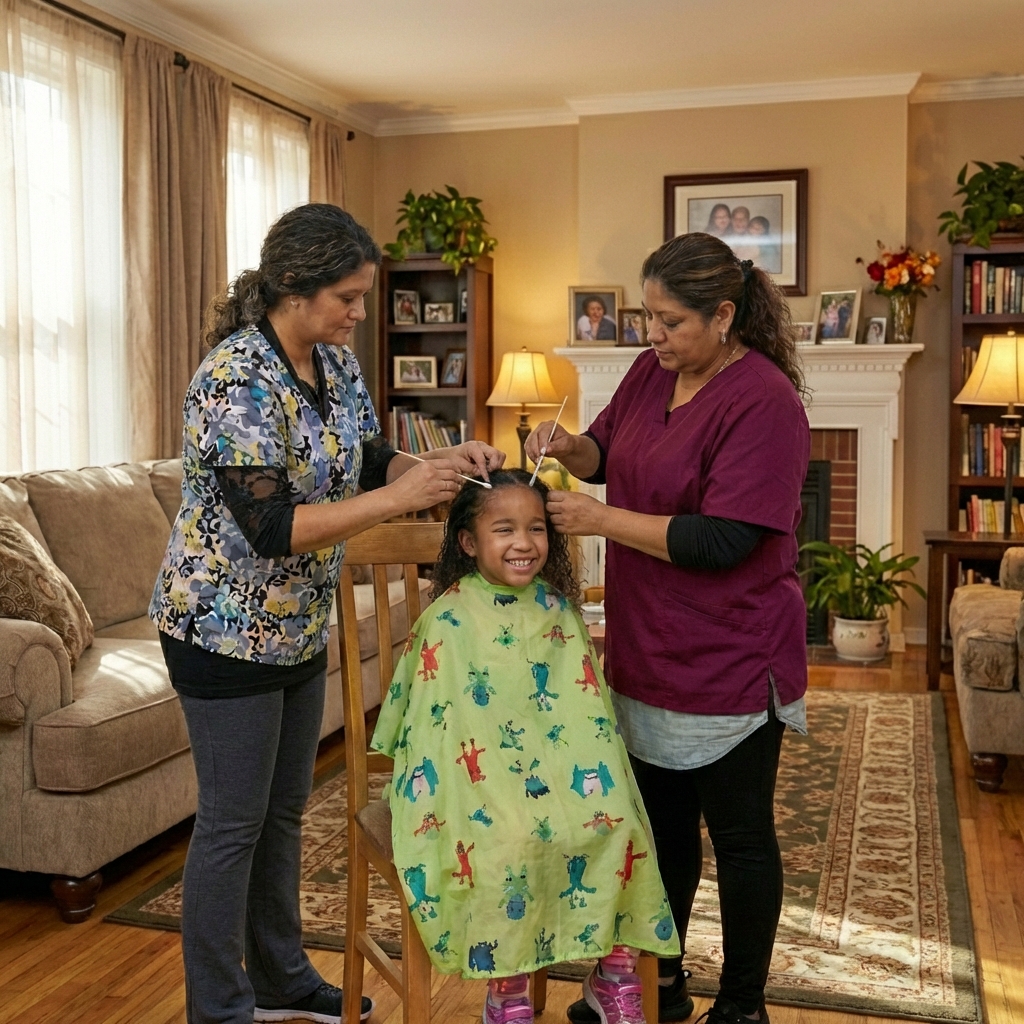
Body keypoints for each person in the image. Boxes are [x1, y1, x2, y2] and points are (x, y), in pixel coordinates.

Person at [149, 203, 504, 1024]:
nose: (357, 313)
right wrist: (396, 497)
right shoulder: (235, 376)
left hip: (299, 624)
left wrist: (435, 463)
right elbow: (269, 527)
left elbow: (371, 454)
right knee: (233, 824)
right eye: (346, 297)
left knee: (280, 813)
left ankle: (278, 978)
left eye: (363, 297)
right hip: (221, 628)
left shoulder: (335, 366)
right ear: (294, 287)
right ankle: (219, 1008)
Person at [525, 232, 811, 1024]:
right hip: (650, 646)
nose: (651, 335)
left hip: (733, 654)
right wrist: (566, 445)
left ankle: (744, 1004)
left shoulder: (765, 403)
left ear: (724, 315)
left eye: (669, 320)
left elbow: (722, 539)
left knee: (742, 838)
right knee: (660, 834)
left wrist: (599, 518)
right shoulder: (654, 371)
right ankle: (662, 983)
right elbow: (602, 450)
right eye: (647, 316)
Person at [371, 470, 680, 1024]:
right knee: (504, 844)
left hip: (558, 775)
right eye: (505, 529)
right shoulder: (446, 617)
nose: (523, 543)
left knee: (618, 824)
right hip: (474, 787)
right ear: (469, 542)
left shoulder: (560, 612)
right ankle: (508, 992)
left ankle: (614, 976)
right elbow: (428, 728)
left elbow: (587, 720)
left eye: (536, 529)